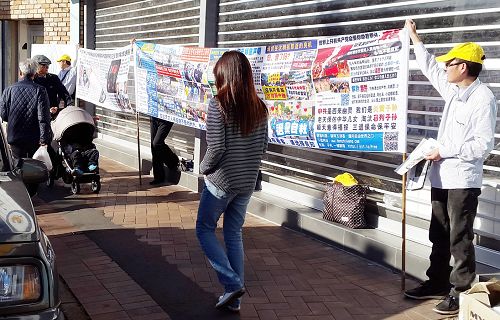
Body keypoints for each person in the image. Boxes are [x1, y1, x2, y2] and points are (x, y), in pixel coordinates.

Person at [404, 19, 497, 315]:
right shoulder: (455, 92)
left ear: (464, 67)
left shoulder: (483, 99)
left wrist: (444, 149)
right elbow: (431, 67)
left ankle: (462, 292)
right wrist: (414, 38)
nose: (445, 68)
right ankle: (437, 283)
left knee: (459, 238)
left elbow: (482, 146)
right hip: (442, 178)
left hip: (463, 182)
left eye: (450, 64)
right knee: (439, 235)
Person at [195, 51, 268, 312]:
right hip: (246, 182)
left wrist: (201, 169)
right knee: (233, 234)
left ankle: (231, 282)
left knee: (204, 229)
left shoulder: (218, 104)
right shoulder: (260, 107)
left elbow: (216, 148)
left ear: (222, 74)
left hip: (222, 181)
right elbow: (263, 147)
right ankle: (234, 300)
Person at [0, 59, 51, 195]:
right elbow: (43, 117)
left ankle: (18, 192)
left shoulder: (9, 89)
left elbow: (3, 114)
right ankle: (30, 192)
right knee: (33, 165)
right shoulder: (40, 90)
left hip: (14, 135)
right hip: (33, 136)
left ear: (20, 72)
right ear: (34, 74)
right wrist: (44, 137)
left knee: (17, 163)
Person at [32, 54, 73, 120]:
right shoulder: (31, 80)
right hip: (35, 117)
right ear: (36, 66)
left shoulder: (53, 78)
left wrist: (70, 105)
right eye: (44, 65)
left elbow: (64, 93)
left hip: (52, 115)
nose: (47, 67)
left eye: (48, 65)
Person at [149, 116, 179, 185]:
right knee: (154, 147)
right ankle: (158, 177)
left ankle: (173, 160)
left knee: (156, 143)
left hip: (166, 117)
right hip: (153, 116)